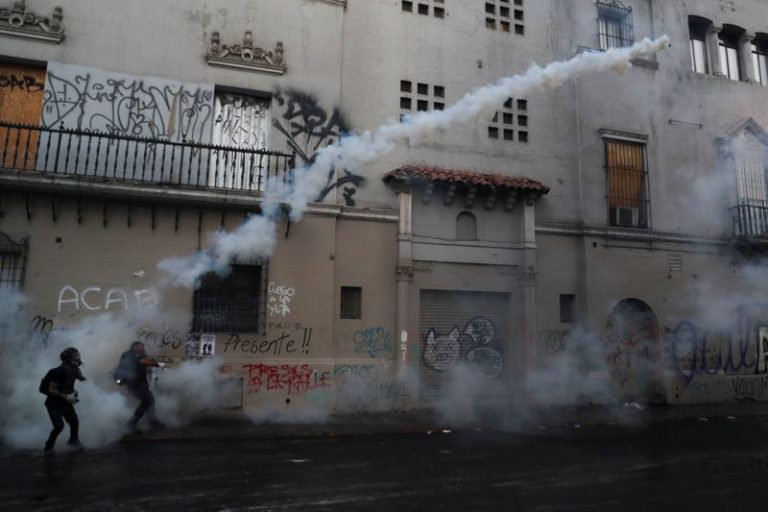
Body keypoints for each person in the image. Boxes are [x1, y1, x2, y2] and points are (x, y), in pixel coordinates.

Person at [42, 347, 86, 452]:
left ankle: (73, 441)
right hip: (53, 403)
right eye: (75, 356)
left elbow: (68, 385)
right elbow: (51, 389)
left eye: (78, 355)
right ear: (68, 359)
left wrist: (73, 393)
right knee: (59, 426)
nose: (78, 359)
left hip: (65, 402)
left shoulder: (74, 370)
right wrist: (67, 397)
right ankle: (48, 446)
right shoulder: (60, 371)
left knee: (74, 422)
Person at [118, 341, 166, 433]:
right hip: (136, 385)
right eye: (141, 347)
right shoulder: (132, 355)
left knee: (149, 401)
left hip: (137, 384)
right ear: (135, 347)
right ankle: (132, 423)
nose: (143, 349)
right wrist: (159, 364)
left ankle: (152, 421)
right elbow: (142, 362)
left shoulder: (127, 355)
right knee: (148, 401)